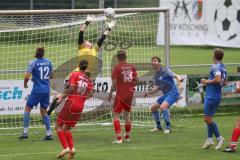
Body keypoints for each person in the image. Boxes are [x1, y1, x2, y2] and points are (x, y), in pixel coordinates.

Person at [55, 60, 94, 159]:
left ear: (79, 66)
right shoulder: (89, 80)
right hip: (80, 106)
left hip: (71, 103)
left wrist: (61, 97)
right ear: (86, 68)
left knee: (58, 126)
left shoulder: (75, 74)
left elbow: (71, 88)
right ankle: (72, 149)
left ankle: (65, 148)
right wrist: (81, 97)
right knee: (66, 128)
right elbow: (91, 94)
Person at [18, 46, 53, 140]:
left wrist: (25, 84)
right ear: (43, 53)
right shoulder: (49, 62)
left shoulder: (32, 63)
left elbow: (26, 77)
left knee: (27, 109)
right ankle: (49, 134)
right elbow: (51, 75)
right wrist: (41, 79)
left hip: (37, 90)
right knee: (44, 112)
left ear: (36, 53)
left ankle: (25, 133)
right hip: (46, 90)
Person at [144, 56, 184, 134]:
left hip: (173, 93)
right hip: (166, 94)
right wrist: (148, 92)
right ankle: (159, 127)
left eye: (155, 61)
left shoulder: (165, 70)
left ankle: (168, 127)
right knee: (153, 108)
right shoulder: (156, 76)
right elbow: (156, 89)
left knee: (163, 107)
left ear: (159, 63)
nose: (153, 62)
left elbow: (176, 75)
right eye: (152, 61)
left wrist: (179, 79)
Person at [108, 50, 138, 144]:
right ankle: (127, 136)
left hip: (121, 94)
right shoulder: (132, 67)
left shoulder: (116, 68)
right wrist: (131, 86)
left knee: (116, 115)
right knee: (127, 115)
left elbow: (114, 84)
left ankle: (119, 138)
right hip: (130, 94)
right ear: (126, 57)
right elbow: (137, 80)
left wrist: (110, 93)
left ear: (117, 58)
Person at [201, 48, 227, 150]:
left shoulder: (215, 66)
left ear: (214, 56)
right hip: (217, 95)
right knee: (209, 118)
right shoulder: (223, 67)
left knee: (207, 119)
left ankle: (219, 137)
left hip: (211, 96)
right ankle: (209, 139)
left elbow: (218, 79)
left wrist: (207, 81)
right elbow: (224, 82)